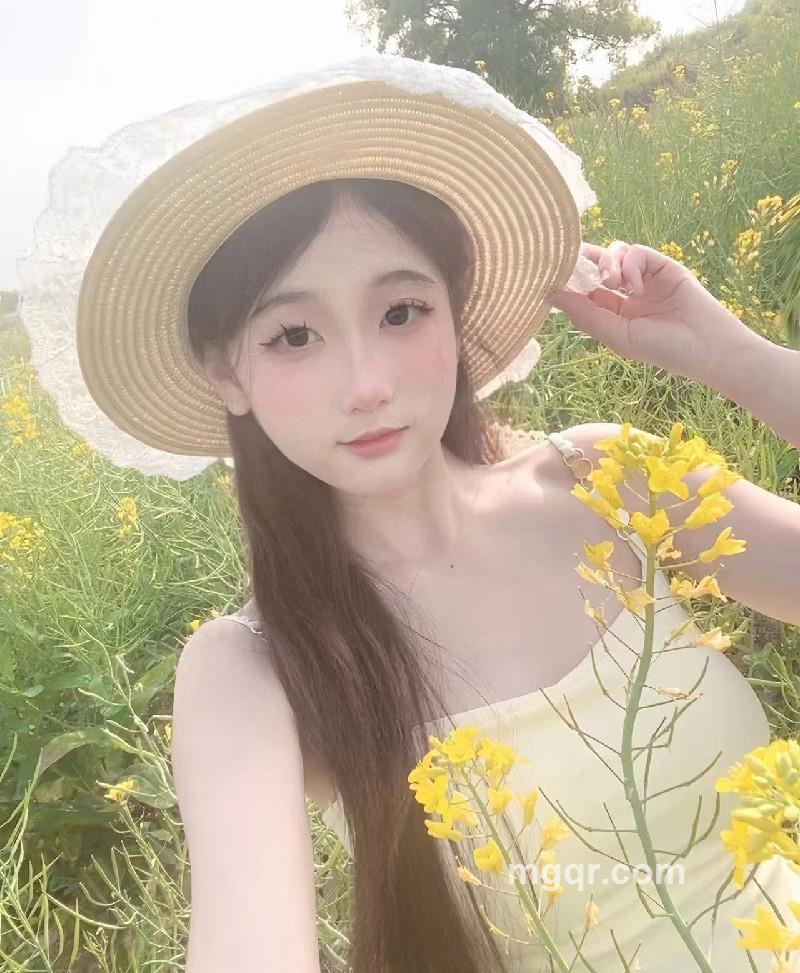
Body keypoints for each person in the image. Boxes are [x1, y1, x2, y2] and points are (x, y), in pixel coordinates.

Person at [18, 52, 800, 973]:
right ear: (228, 370)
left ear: (454, 314)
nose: (367, 384)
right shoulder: (254, 669)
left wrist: (731, 356)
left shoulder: (606, 479)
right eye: (294, 334)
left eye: (401, 311)